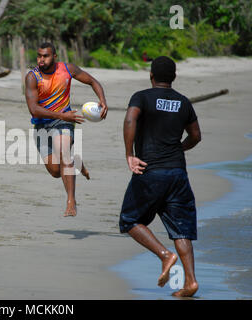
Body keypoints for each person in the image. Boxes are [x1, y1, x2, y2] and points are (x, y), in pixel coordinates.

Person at [119, 56, 201, 297]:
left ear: (151, 76)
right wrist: (178, 149)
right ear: (173, 77)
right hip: (178, 173)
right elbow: (195, 136)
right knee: (181, 229)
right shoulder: (184, 102)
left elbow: (130, 119)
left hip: (151, 171)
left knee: (129, 220)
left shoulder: (141, 97)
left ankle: (165, 255)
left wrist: (129, 154)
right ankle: (191, 282)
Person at [25, 42, 108, 217]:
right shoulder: (32, 77)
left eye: (45, 56)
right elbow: (33, 109)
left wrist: (102, 100)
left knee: (63, 153)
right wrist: (62, 116)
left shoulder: (67, 69)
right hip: (42, 125)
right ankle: (76, 161)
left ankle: (71, 201)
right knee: (56, 172)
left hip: (64, 121)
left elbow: (92, 81)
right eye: (39, 56)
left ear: (54, 56)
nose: (41, 59)